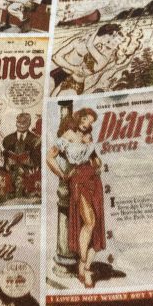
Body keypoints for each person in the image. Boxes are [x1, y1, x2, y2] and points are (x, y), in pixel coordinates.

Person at [46, 108, 106, 288]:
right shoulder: (68, 136)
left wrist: (92, 150)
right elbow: (49, 158)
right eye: (85, 118)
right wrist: (63, 175)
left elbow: (97, 163)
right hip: (78, 181)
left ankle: (85, 267)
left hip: (94, 181)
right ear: (79, 117)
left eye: (90, 121)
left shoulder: (88, 138)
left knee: (95, 225)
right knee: (89, 222)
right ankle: (83, 264)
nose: (86, 123)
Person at [50, 23, 127, 96]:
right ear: (106, 35)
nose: (109, 42)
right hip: (62, 74)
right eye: (112, 38)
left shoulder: (102, 52)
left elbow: (91, 48)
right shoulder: (81, 42)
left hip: (74, 82)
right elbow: (56, 57)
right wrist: (73, 68)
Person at [3, 113, 41, 197]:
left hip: (29, 178)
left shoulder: (36, 140)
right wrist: (8, 163)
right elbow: (4, 160)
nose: (20, 125)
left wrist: (29, 162)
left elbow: (39, 162)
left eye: (24, 122)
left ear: (29, 123)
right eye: (18, 122)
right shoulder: (7, 139)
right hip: (11, 177)